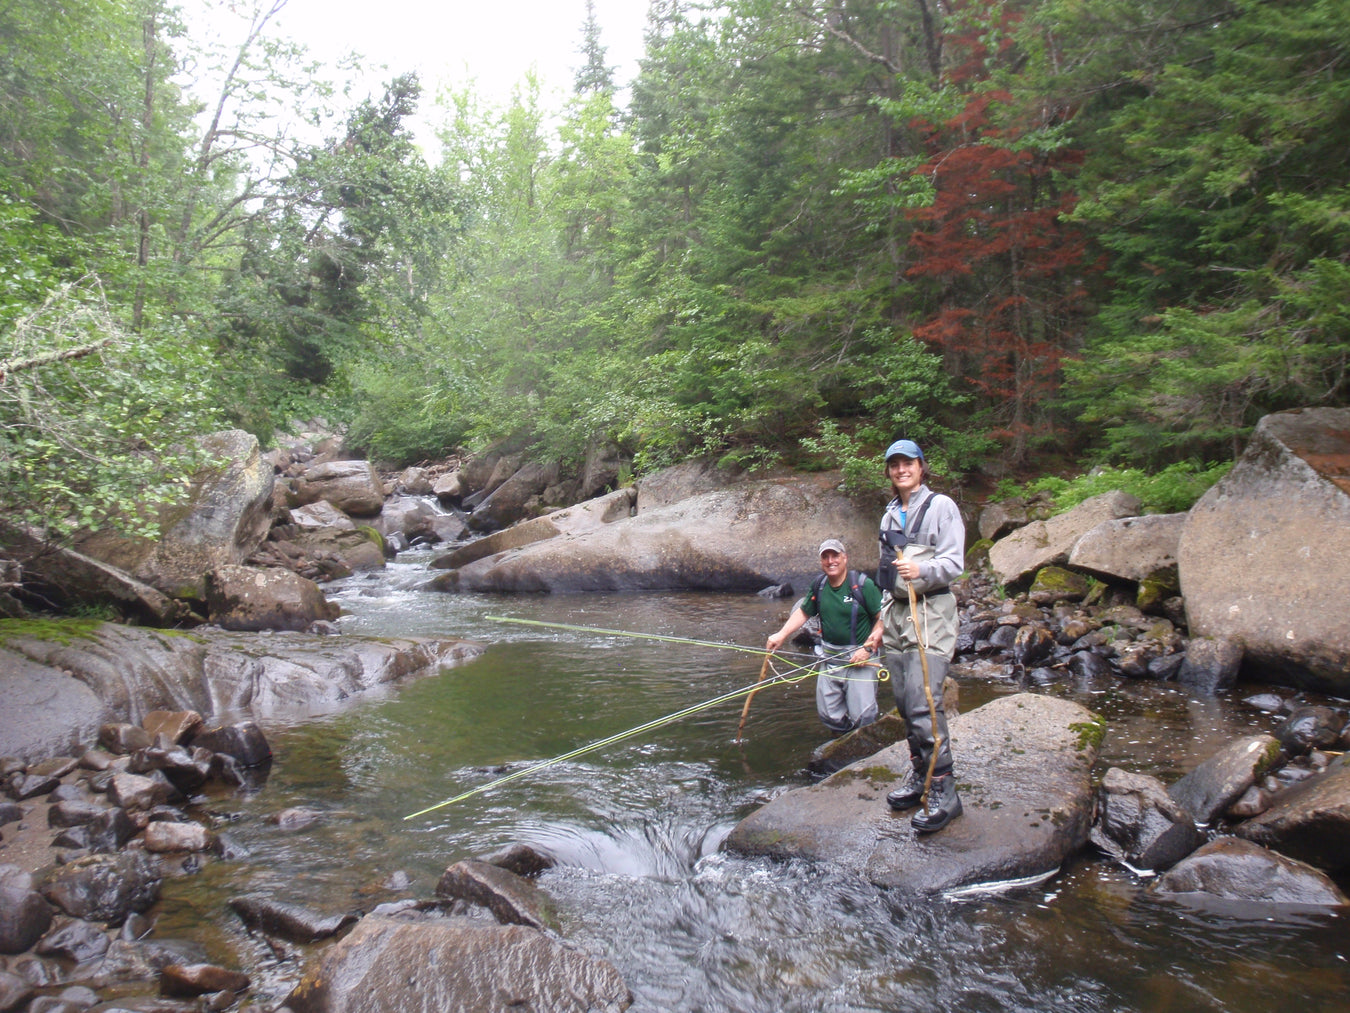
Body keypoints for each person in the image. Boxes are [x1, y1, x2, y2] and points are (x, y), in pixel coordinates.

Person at [860, 439, 966, 832]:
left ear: (922, 467)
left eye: (908, 463)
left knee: (924, 702)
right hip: (898, 614)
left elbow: (954, 562)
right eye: (894, 464)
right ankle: (920, 773)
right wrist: (879, 623)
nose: (901, 469)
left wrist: (922, 572)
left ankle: (945, 789)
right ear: (889, 472)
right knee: (905, 702)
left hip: (932, 611)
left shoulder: (942, 507)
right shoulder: (889, 515)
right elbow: (887, 577)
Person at [765, 538, 883, 735]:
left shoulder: (863, 585)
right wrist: (782, 634)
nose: (831, 561)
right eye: (825, 557)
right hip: (829, 658)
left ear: (845, 558)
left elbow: (883, 618)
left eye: (835, 555)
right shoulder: (819, 585)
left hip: (860, 659)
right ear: (821, 561)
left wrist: (867, 648)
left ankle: (865, 752)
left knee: (863, 716)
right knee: (829, 715)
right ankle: (841, 749)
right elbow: (804, 612)